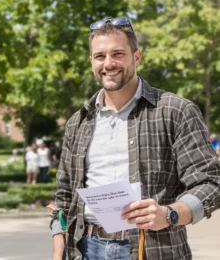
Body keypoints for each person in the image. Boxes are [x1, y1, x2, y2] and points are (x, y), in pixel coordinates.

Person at [50, 17, 220, 260]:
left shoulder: (175, 111)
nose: (108, 63)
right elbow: (63, 197)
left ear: (137, 56)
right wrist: (58, 254)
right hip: (86, 249)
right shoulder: (78, 122)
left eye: (118, 54)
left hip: (153, 250)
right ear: (91, 62)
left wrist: (170, 214)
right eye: (100, 56)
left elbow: (212, 183)